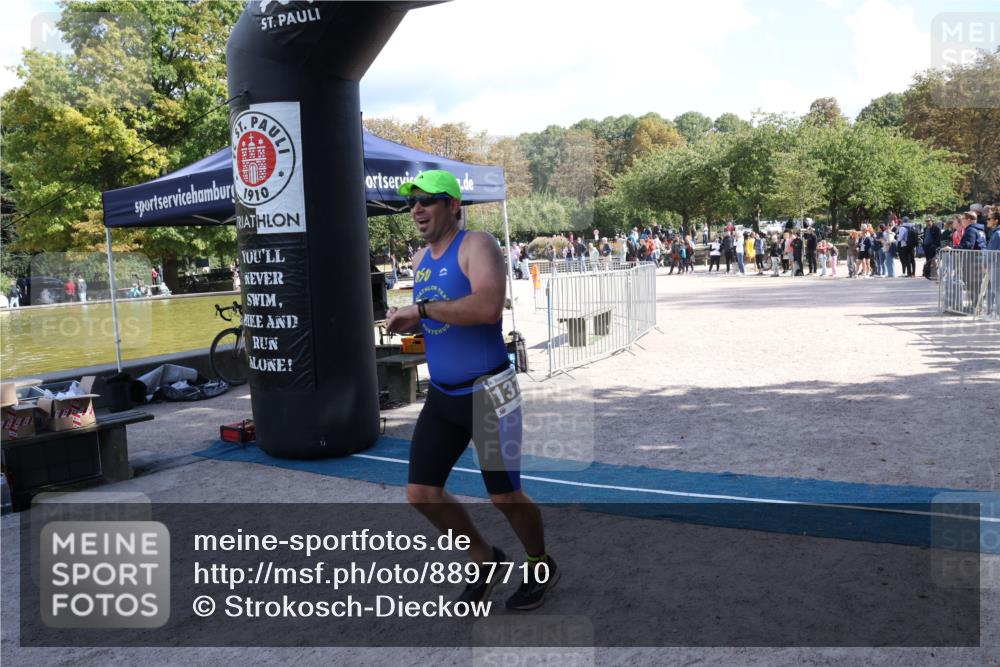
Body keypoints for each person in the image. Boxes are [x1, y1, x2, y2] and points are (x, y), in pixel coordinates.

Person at [385, 170, 557, 611]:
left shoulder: (476, 245)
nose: (417, 208)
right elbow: (440, 321)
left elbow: (485, 307)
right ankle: (484, 558)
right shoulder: (422, 260)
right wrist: (412, 324)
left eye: (428, 199)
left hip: (489, 394)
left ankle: (540, 562)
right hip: (444, 396)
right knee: (421, 493)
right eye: (412, 202)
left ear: (453, 205)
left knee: (504, 495)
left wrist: (420, 308)